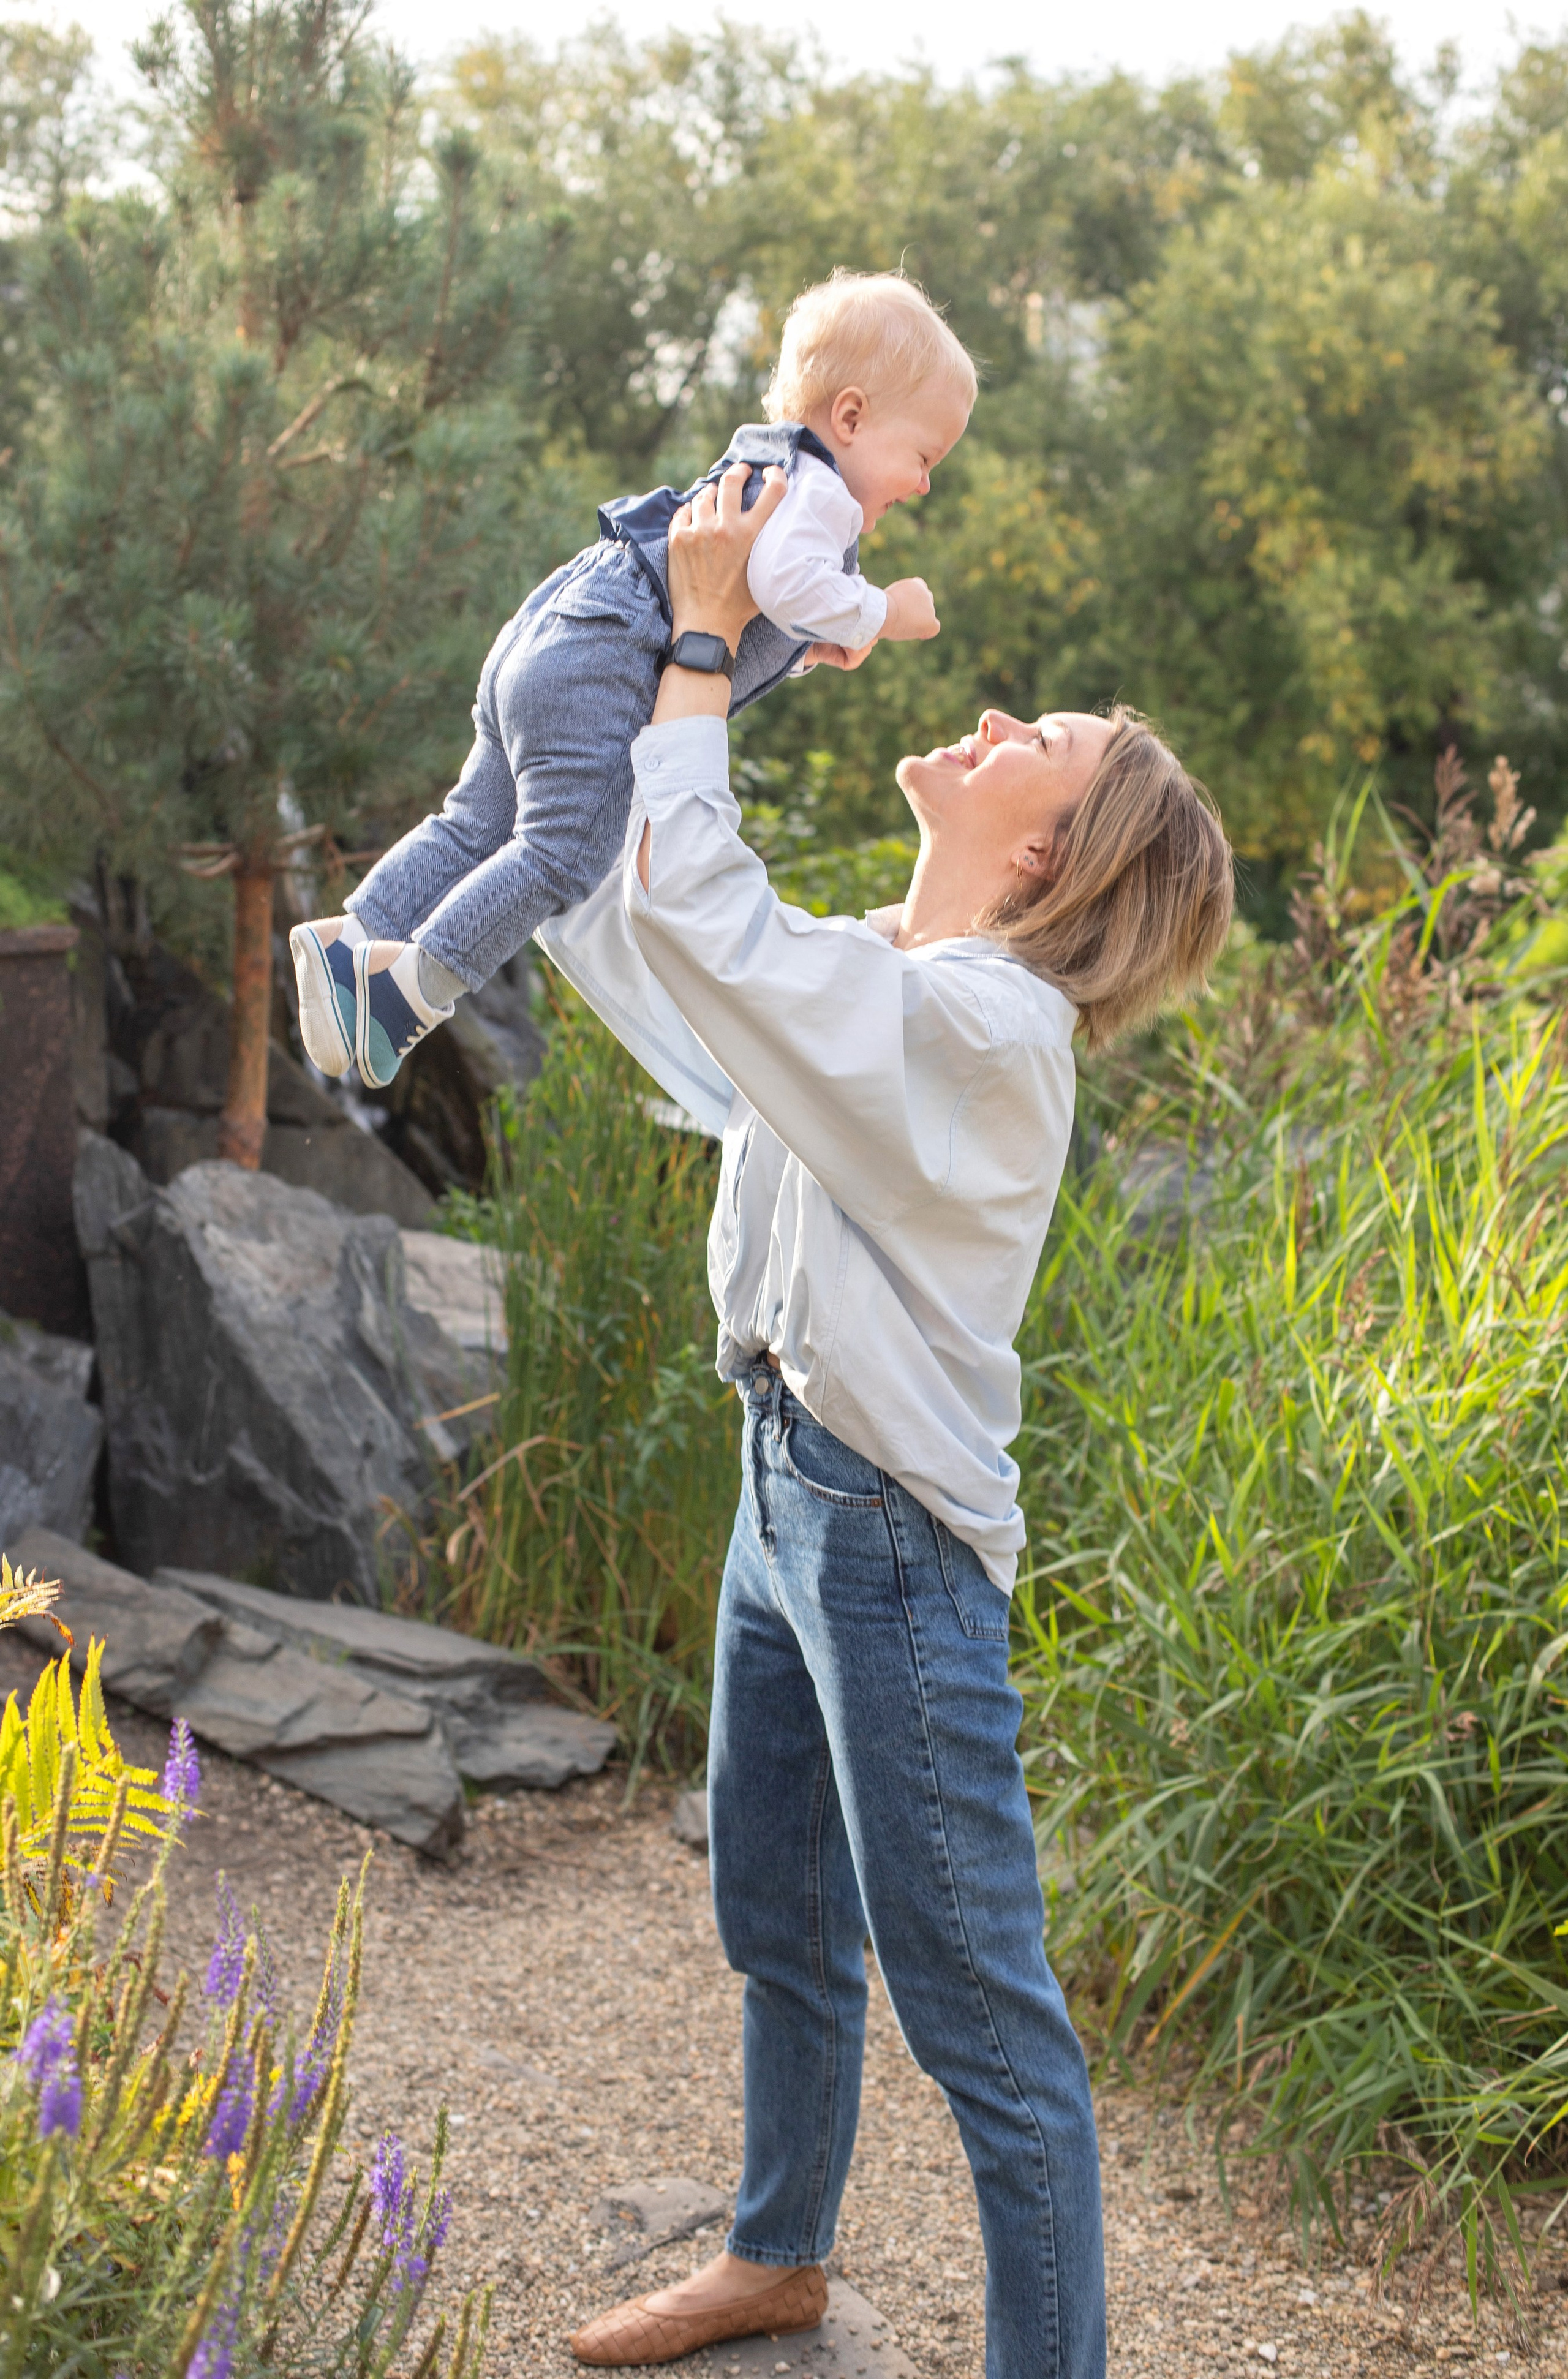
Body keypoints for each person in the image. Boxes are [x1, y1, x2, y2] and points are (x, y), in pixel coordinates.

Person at [541, 465, 1234, 2379]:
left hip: (892, 1543)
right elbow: (665, 948)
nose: (995, 716)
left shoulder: (990, 1038)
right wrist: (591, 707)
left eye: (1041, 740)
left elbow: (709, 918)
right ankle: (779, 2255)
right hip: (783, 1479)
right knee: (776, 1911)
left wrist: (706, 638)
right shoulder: (892, 971)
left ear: (1052, 851)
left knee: (985, 2017)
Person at [288, 270, 975, 1090]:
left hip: (556, 627)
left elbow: (752, 600)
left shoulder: (770, 467)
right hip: (602, 660)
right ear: (851, 418)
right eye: (924, 457)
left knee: (475, 822)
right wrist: (884, 611)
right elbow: (787, 583)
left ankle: (353, 936)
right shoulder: (821, 493)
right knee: (566, 852)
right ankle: (408, 993)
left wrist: (808, 649)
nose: (924, 484)